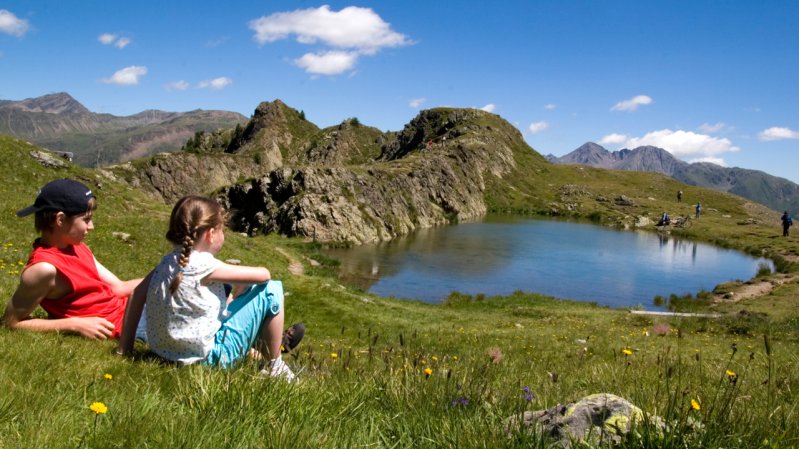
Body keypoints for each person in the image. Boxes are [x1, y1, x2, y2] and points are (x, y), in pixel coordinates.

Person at [118, 196, 301, 381]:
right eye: (223, 230)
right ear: (211, 234)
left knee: (240, 293)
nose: (224, 236)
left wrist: (124, 349)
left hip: (163, 354)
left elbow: (136, 293)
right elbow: (265, 275)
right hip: (209, 359)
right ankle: (274, 365)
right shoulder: (204, 264)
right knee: (272, 290)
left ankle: (265, 351)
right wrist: (243, 286)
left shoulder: (166, 263)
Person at [3, 179, 144, 340]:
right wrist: (74, 324)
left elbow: (118, 288)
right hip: (125, 325)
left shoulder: (78, 247)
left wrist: (163, 276)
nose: (91, 226)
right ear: (60, 220)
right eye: (86, 219)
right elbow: (11, 321)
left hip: (134, 309)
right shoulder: (44, 269)